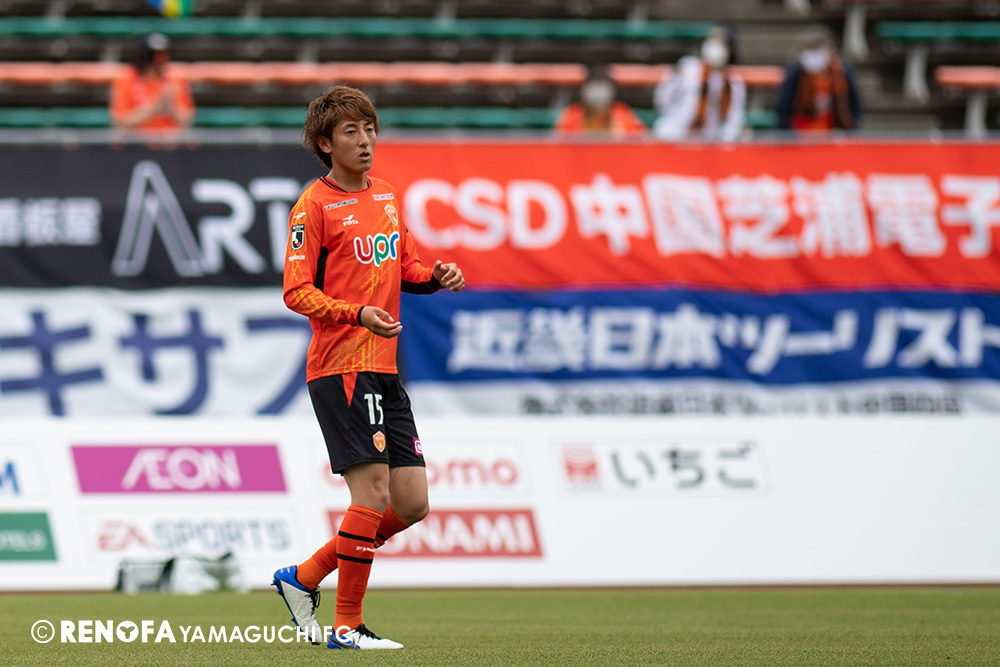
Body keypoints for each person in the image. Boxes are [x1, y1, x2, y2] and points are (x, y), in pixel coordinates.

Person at [272, 85, 465, 651]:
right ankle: (346, 627)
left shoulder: (385, 195)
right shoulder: (313, 205)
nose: (365, 141)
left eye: (370, 129)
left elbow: (404, 265)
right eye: (351, 132)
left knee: (412, 503)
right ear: (325, 144)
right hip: (341, 367)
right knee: (372, 495)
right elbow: (295, 291)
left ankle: (304, 577)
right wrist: (355, 313)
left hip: (383, 367)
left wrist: (435, 276)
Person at [652, 28, 746, 142]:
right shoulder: (686, 68)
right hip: (674, 135)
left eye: (721, 42)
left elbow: (733, 122)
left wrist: (726, 144)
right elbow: (661, 101)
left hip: (709, 142)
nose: (715, 46)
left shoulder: (733, 82)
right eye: (712, 40)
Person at [775, 30, 862, 133]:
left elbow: (855, 103)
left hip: (832, 132)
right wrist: (791, 135)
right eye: (809, 50)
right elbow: (783, 107)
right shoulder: (795, 73)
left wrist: (850, 131)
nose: (813, 55)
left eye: (816, 49)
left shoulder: (841, 73)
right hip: (800, 132)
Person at [109, 33, 194, 135]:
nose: (161, 60)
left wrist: (171, 106)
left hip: (168, 141)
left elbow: (186, 122)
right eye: (155, 56)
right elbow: (120, 122)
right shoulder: (126, 78)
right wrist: (156, 106)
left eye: (164, 54)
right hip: (136, 141)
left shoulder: (176, 78)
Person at [555, 64, 646, 137]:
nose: (599, 91)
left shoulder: (623, 114)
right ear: (585, 89)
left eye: (602, 84)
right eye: (595, 84)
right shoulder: (572, 115)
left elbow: (643, 141)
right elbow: (557, 144)